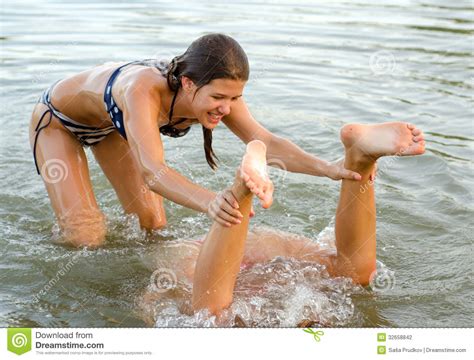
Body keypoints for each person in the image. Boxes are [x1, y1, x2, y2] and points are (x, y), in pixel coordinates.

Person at [29, 33, 372, 248]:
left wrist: (328, 168)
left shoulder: (223, 95)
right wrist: (211, 201)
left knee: (154, 226)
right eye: (219, 97)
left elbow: (266, 141)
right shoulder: (141, 90)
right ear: (189, 83)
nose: (227, 108)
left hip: (110, 128)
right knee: (86, 237)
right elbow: (154, 173)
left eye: (235, 98)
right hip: (59, 123)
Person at [143, 121, 425, 319]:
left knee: (209, 315)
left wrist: (151, 307)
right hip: (243, 251)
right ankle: (359, 159)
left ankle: (244, 188)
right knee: (356, 274)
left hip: (209, 252)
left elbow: (151, 306)